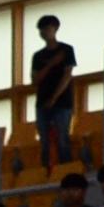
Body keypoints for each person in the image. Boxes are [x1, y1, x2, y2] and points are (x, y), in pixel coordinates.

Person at [31, 14, 79, 165]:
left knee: (62, 137)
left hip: (62, 102)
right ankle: (46, 170)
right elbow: (35, 80)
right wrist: (51, 64)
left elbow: (67, 76)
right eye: (41, 30)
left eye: (46, 28)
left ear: (55, 28)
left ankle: (65, 167)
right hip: (42, 101)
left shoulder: (66, 49)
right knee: (44, 139)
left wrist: (54, 98)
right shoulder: (38, 56)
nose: (44, 32)